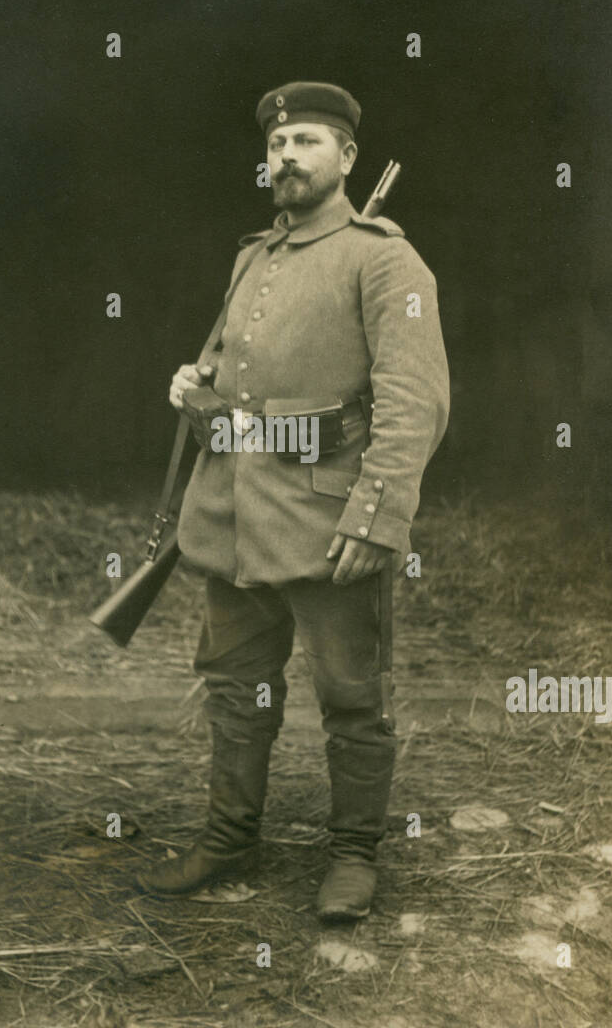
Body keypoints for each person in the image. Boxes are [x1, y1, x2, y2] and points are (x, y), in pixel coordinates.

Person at [137, 81, 450, 920]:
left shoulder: (385, 260)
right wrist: (193, 383)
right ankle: (230, 837)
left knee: (351, 696)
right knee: (236, 688)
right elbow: (228, 370)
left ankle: (352, 857)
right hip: (232, 515)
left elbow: (413, 399)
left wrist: (376, 515)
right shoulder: (255, 256)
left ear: (345, 158)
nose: (286, 158)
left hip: (325, 519)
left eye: (306, 142)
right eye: (277, 146)